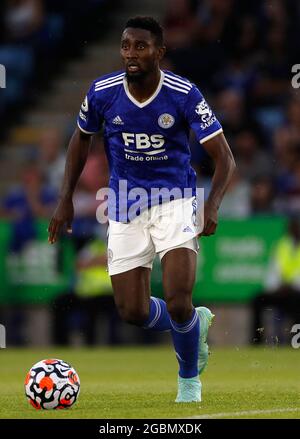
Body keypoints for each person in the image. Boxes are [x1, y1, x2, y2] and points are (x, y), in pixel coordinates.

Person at [48, 16, 235, 403]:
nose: (131, 54)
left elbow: (225, 159)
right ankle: (192, 326)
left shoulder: (183, 94)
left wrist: (212, 205)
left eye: (140, 46)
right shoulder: (103, 92)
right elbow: (80, 141)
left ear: (159, 52)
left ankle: (188, 383)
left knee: (180, 297)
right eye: (126, 46)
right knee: (131, 310)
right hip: (124, 204)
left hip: (177, 201)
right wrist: (65, 198)